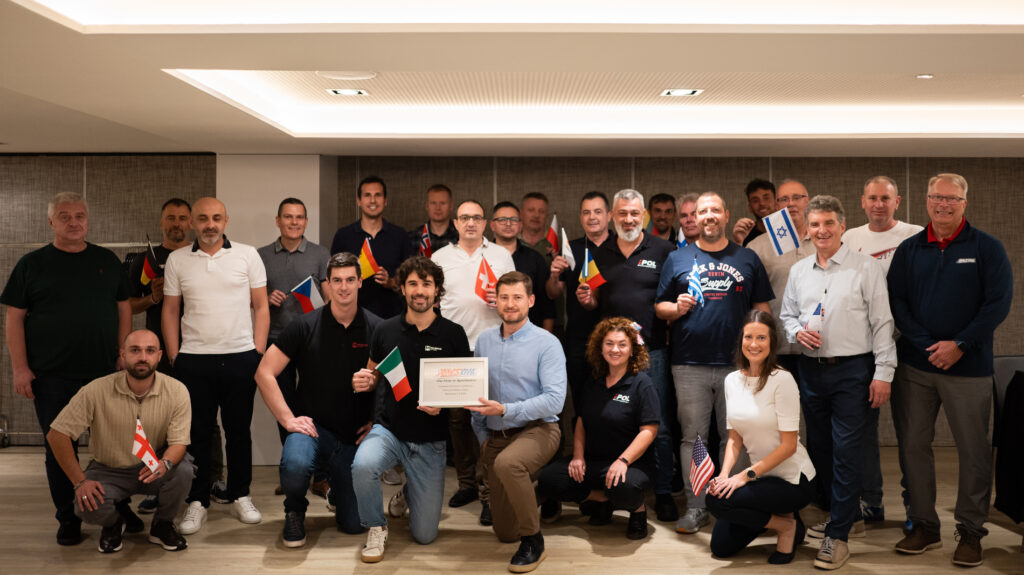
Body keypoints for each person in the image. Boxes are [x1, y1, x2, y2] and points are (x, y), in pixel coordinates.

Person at [888, 173, 1012, 567]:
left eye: (952, 199)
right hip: (916, 366)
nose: (943, 204)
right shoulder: (909, 249)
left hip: (969, 368)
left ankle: (971, 532)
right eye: (937, 197)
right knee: (913, 446)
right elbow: (897, 302)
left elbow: (997, 303)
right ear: (926, 200)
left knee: (974, 451)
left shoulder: (987, 248)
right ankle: (924, 525)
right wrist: (928, 344)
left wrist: (960, 344)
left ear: (964, 203)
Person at [2, 191, 131, 546]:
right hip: (51, 375)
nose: (73, 222)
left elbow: (124, 308)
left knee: (115, 445)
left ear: (87, 220)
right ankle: (69, 517)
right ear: (51, 222)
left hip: (105, 373)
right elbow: (14, 319)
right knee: (59, 448)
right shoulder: (32, 264)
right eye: (64, 216)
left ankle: (118, 507)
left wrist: (123, 352)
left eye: (79, 216)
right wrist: (20, 368)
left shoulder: (107, 260)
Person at [780, 195, 896, 570]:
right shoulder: (799, 270)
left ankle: (839, 536)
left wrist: (883, 373)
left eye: (829, 223)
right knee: (822, 450)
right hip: (811, 371)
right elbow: (787, 316)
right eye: (815, 224)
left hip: (854, 371)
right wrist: (797, 332)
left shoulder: (866, 267)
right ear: (808, 229)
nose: (822, 230)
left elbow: (882, 323)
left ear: (842, 226)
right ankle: (847, 518)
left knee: (847, 451)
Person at [656, 191, 774, 534]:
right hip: (688, 364)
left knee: (734, 437)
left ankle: (729, 504)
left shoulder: (747, 258)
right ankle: (696, 507)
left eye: (715, 210)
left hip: (738, 366)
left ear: (726, 215)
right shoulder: (678, 258)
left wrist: (762, 356)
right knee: (693, 440)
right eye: (702, 211)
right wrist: (675, 308)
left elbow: (762, 310)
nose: (708, 216)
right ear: (695, 218)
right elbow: (659, 307)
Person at [254, 252, 381, 547]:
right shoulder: (303, 325)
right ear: (328, 284)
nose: (344, 287)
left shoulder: (377, 328)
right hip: (312, 429)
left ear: (360, 282)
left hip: (353, 437)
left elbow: (395, 382)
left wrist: (377, 421)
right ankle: (294, 511)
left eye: (350, 280)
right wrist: (288, 420)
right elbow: (264, 373)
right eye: (337, 281)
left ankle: (337, 492)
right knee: (295, 465)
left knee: (354, 526)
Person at [350, 256, 471, 563]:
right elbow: (372, 375)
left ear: (437, 290)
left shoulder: (454, 334)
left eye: (426, 284)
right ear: (402, 289)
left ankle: (407, 492)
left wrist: (444, 403)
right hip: (389, 431)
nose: (420, 291)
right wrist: (365, 381)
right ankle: (376, 526)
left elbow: (465, 390)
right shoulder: (384, 330)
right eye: (413, 284)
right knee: (362, 465)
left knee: (425, 536)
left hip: (430, 441)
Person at [162, 197, 269, 535]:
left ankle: (240, 494)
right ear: (193, 222)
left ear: (226, 220)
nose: (210, 224)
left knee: (239, 431)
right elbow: (170, 310)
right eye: (203, 218)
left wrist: (257, 352)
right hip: (193, 360)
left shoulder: (248, 255)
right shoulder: (178, 259)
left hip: (240, 357)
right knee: (197, 434)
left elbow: (261, 307)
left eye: (217, 218)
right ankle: (197, 501)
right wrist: (175, 356)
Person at [45, 329, 194, 553]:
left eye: (150, 351)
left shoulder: (177, 390)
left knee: (183, 471)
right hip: (109, 469)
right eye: (135, 350)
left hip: (153, 464)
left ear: (159, 356)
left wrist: (165, 463)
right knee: (84, 505)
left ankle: (162, 525)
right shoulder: (96, 390)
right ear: (123, 354)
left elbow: (179, 442)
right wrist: (80, 481)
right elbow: (57, 434)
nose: (142, 357)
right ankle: (114, 523)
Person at [588, 189, 678, 523]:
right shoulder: (600, 252)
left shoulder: (664, 250)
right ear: (613, 216)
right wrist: (586, 300)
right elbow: (593, 300)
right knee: (611, 422)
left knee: (659, 425)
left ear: (644, 216)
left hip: (651, 352)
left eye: (634, 214)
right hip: (611, 354)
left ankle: (664, 492)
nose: (628, 219)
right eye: (622, 213)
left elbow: (673, 296)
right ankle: (612, 489)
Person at [469, 272, 566, 573]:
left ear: (531, 301)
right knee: (505, 533)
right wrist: (482, 436)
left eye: (517, 297)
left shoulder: (547, 343)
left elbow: (555, 401)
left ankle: (534, 541)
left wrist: (505, 410)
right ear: (496, 301)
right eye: (504, 297)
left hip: (539, 429)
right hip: (496, 436)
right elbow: (477, 395)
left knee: (508, 464)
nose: (510, 304)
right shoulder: (484, 341)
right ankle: (536, 492)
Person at [705, 311, 817, 564]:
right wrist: (724, 475)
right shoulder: (732, 381)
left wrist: (743, 477)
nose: (754, 344)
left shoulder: (783, 380)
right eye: (748, 337)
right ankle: (787, 521)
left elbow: (789, 447)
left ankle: (786, 527)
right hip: (762, 478)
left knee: (716, 501)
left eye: (761, 338)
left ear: (772, 341)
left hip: (793, 480)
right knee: (721, 546)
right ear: (741, 340)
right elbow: (734, 438)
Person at [842, 176, 923, 524]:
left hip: (909, 344)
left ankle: (915, 506)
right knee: (864, 433)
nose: (878, 204)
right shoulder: (850, 238)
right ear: (863, 201)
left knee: (912, 432)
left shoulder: (915, 235)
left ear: (897, 202)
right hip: (866, 348)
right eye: (872, 198)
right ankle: (871, 502)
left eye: (885, 199)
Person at [537, 316, 660, 540]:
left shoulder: (642, 383)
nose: (615, 349)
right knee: (549, 479)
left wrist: (623, 461)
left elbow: (649, 431)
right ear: (600, 348)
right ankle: (601, 499)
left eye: (622, 344)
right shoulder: (593, 381)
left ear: (632, 349)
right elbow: (581, 421)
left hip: (631, 463)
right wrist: (577, 457)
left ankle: (637, 510)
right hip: (594, 461)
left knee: (624, 486)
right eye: (609, 343)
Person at [432, 199, 515, 520]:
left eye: (476, 218)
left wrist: (501, 299)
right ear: (455, 223)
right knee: (457, 421)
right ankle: (466, 483)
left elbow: (515, 299)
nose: (470, 223)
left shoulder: (500, 255)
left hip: (492, 346)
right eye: (464, 217)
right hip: (454, 348)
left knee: (488, 421)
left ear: (484, 223)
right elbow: (432, 301)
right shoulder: (440, 258)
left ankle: (488, 491)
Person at [257, 197, 331, 496]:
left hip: (314, 338)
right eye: (288, 217)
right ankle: (293, 472)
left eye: (299, 217)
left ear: (306, 222)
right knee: (284, 406)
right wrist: (265, 298)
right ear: (278, 221)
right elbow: (252, 298)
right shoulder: (261, 255)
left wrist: (317, 299)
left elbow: (330, 299)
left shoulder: (320, 254)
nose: (294, 222)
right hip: (277, 339)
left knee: (317, 404)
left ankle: (321, 475)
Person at [547, 191, 613, 409]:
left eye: (597, 211)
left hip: (615, 338)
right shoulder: (570, 249)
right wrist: (554, 275)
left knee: (614, 403)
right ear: (580, 217)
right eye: (586, 212)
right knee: (582, 403)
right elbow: (553, 293)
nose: (592, 217)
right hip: (578, 339)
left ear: (609, 216)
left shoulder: (620, 247)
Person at [330, 176, 415, 318]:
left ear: (385, 201)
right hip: (352, 317)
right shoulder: (343, 236)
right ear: (359, 201)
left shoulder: (400, 235)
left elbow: (411, 278)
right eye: (367, 195)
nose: (373, 200)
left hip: (393, 317)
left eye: (378, 195)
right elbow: (333, 277)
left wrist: (390, 282)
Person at [490, 201, 556, 332]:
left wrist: (546, 338)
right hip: (490, 330)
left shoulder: (535, 258)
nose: (508, 224)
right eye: (502, 219)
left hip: (529, 333)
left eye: (513, 220)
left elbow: (547, 305)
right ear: (492, 225)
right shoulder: (482, 256)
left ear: (520, 225)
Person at [408, 184, 459, 256]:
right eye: (433, 203)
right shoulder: (412, 237)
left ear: (451, 206)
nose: (438, 208)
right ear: (427, 206)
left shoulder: (461, 236)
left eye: (442, 203)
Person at [732, 179, 777, 246]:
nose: (762, 203)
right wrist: (738, 242)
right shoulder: (745, 236)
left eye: (766, 198)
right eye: (755, 201)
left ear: (776, 202)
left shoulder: (788, 230)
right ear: (750, 207)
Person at [519, 192, 556, 259]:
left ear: (547, 216)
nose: (536, 215)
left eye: (541, 211)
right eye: (531, 210)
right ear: (521, 214)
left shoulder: (557, 242)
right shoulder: (510, 240)